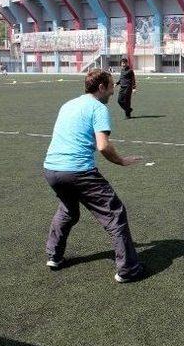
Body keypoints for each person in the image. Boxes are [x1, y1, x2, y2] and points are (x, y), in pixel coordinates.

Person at [43, 69, 145, 283]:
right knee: (115, 213)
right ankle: (128, 269)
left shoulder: (68, 104)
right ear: (101, 87)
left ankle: (54, 256)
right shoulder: (98, 108)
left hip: (52, 169)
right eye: (111, 85)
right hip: (78, 171)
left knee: (68, 210)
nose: (113, 89)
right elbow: (103, 146)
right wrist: (122, 161)